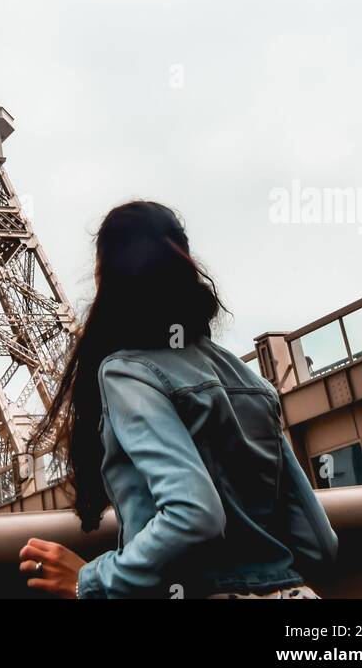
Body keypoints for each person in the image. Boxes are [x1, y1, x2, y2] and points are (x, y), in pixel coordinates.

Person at [18, 200, 338, 599]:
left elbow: (196, 514)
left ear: (106, 279)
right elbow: (319, 544)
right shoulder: (249, 379)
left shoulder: (127, 372)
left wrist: (92, 581)